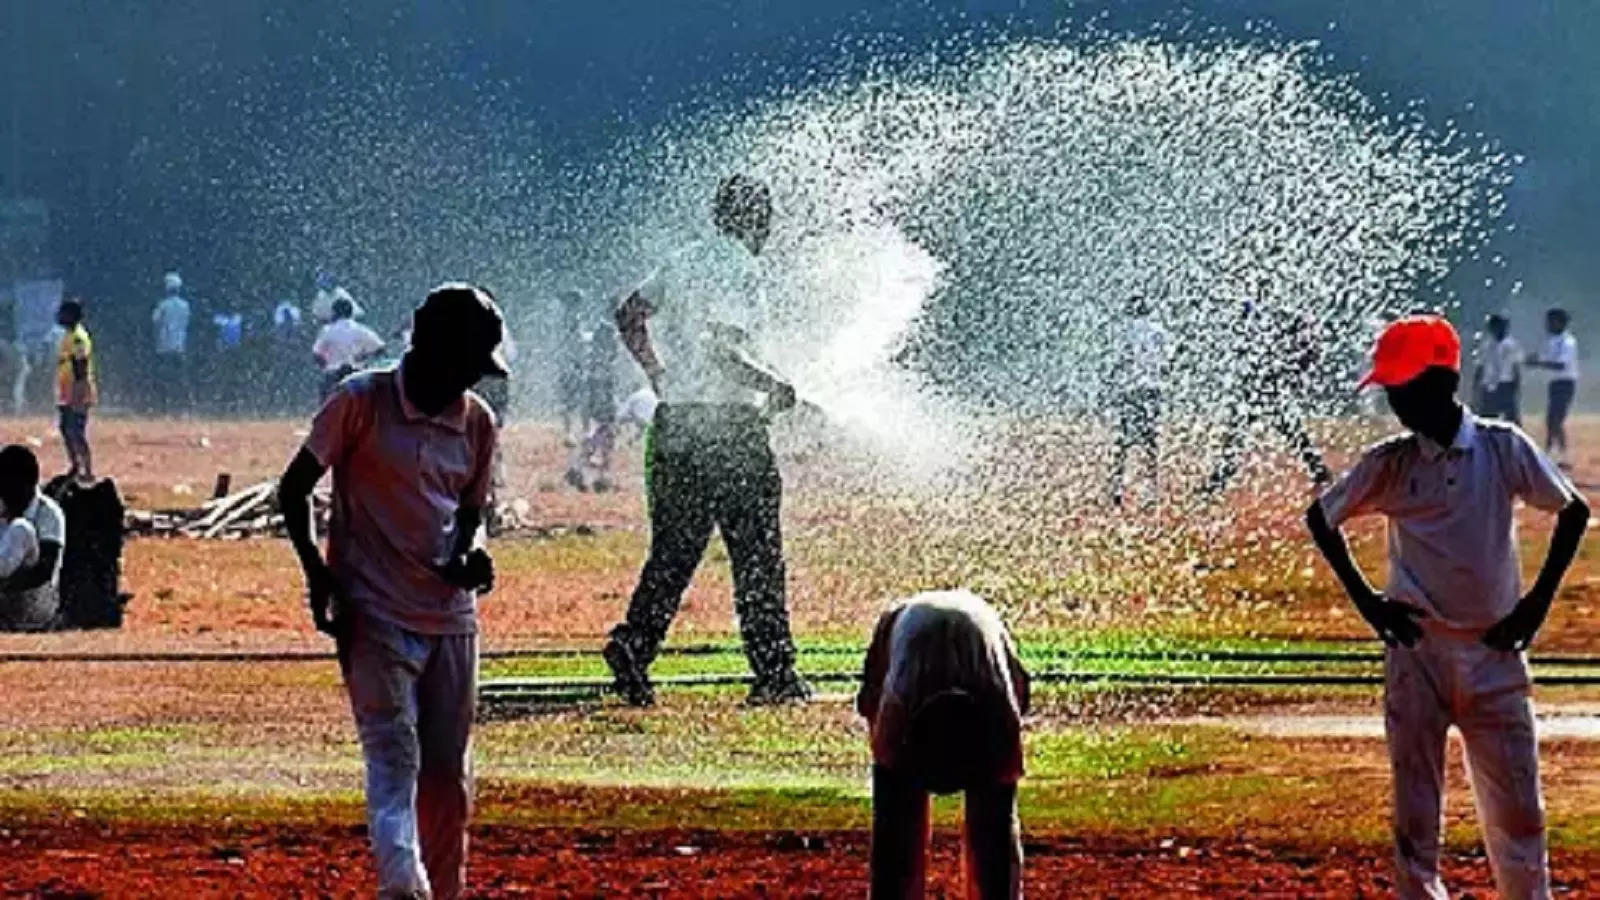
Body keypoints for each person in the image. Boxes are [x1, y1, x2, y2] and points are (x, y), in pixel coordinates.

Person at [1306, 314, 1588, 900]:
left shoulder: (1502, 449)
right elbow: (1321, 518)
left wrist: (1536, 604)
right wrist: (1370, 605)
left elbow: (1573, 511)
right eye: (1389, 391)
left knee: (1519, 812)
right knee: (1415, 814)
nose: (1395, 403)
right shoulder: (1391, 462)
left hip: (1495, 652)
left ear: (1442, 383)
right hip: (1418, 654)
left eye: (1402, 388)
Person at [279, 283, 507, 900]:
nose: (472, 380)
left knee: (448, 778)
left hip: (451, 618)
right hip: (373, 611)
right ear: (431, 347)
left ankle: (445, 890)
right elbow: (293, 488)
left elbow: (471, 509)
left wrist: (471, 551)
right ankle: (404, 888)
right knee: (393, 760)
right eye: (465, 363)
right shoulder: (360, 402)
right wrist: (316, 572)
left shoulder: (476, 422)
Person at [602, 174, 811, 707]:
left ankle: (635, 644)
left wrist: (656, 373)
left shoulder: (683, 259)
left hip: (676, 424)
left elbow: (628, 315)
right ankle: (775, 674)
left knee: (674, 550)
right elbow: (722, 351)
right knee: (758, 554)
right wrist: (776, 385)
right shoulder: (742, 266)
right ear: (754, 219)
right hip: (728, 430)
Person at [857, 590, 1029, 900]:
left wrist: (890, 761)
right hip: (990, 691)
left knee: (896, 816)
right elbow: (1021, 690)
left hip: (913, 686)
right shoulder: (984, 616)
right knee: (995, 819)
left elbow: (868, 698)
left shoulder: (894, 619)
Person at [1205, 292, 1333, 495]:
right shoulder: (1264, 326)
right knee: (1287, 431)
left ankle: (1217, 482)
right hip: (1261, 386)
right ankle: (1319, 472)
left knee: (1242, 434)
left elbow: (1292, 343)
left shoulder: (1262, 326)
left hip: (1261, 387)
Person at [1107, 294, 1169, 508]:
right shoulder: (1159, 332)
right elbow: (1165, 363)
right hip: (1152, 389)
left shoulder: (1125, 331)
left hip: (1130, 389)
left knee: (1123, 440)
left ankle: (1116, 489)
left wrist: (1112, 382)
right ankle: (1151, 491)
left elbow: (1120, 360)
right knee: (1150, 441)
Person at [0, 445, 64, 631]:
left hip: (34, 601)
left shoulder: (48, 513)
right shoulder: (4, 510)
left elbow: (43, 572)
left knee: (21, 529)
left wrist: (4, 588)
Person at [565, 322, 621, 492]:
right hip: (601, 400)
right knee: (604, 435)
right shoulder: (602, 358)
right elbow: (601, 383)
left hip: (596, 400)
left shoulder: (595, 354)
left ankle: (587, 472)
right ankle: (590, 473)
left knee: (601, 436)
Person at [1525, 307, 1578, 467]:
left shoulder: (1567, 342)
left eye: (1550, 321)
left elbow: (1561, 365)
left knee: (1555, 419)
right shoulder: (1553, 341)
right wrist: (1537, 360)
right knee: (1553, 419)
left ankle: (1557, 455)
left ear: (1560, 323)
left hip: (1565, 382)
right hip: (1556, 383)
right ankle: (1554, 454)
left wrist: (1538, 362)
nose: (1547, 325)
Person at [312, 297, 386, 401]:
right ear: (351, 312)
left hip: (334, 375)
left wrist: (325, 367)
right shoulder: (361, 330)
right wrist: (365, 357)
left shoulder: (328, 330)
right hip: (357, 374)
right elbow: (380, 349)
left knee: (325, 403)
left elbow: (316, 353)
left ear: (334, 313)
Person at [55, 300, 96, 484]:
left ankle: (87, 469)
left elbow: (81, 367)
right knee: (65, 429)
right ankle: (75, 466)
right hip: (66, 392)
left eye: (64, 313)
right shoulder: (68, 336)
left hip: (77, 392)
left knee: (77, 432)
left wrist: (77, 396)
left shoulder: (78, 338)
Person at [151, 272, 192, 416]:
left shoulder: (162, 306)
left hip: (163, 347)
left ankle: (165, 409)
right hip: (180, 346)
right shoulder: (185, 306)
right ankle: (184, 409)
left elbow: (155, 322)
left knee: (164, 379)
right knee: (181, 379)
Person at [1474, 312, 1523, 426]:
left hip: (1505, 384)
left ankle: (1515, 441)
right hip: (1489, 384)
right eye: (1495, 326)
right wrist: (1476, 386)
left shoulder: (1512, 345)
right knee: (1487, 418)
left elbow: (1515, 367)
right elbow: (1480, 366)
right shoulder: (1486, 346)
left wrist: (1516, 386)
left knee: (1511, 417)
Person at [555, 289, 589, 445]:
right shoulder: (573, 319)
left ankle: (572, 432)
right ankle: (582, 432)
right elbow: (576, 342)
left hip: (569, 365)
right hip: (574, 365)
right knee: (580, 400)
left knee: (570, 402)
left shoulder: (569, 318)